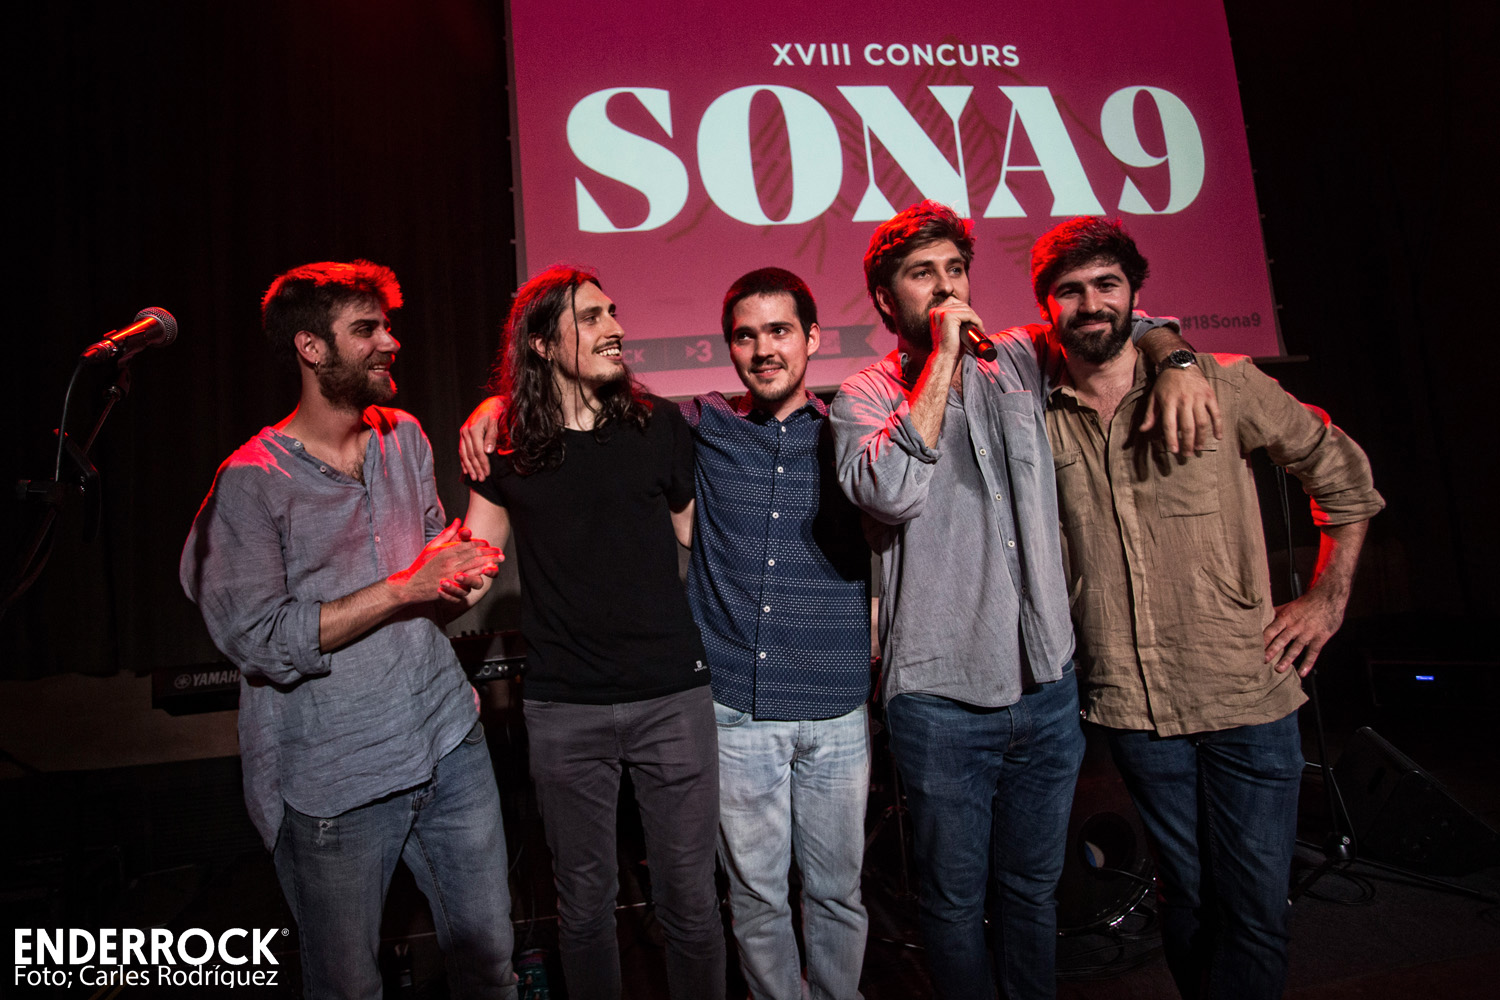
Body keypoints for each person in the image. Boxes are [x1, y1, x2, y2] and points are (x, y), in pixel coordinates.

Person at [828, 200, 1211, 1000]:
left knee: (1034, 891)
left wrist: (1174, 357)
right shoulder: (861, 396)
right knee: (954, 901)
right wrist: (942, 360)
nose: (945, 287)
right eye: (922, 274)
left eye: (955, 270)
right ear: (885, 298)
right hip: (941, 700)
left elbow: (1119, 324)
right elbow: (889, 492)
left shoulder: (1019, 359)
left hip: (1045, 688)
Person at [1030, 217, 1383, 999]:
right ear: (1047, 305)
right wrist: (1171, 346)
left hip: (1244, 693)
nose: (1090, 304)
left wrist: (1327, 599)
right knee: (1186, 899)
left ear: (1135, 295)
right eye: (1070, 290)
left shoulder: (1223, 384)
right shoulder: (1034, 408)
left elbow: (1343, 477)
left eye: (1107, 285)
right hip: (1132, 707)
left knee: (1251, 910)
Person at [180, 260, 517, 1000]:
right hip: (336, 784)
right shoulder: (251, 481)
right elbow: (261, 640)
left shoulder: (404, 438)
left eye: (388, 326)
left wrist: (455, 572)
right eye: (366, 329)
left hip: (448, 746)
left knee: (490, 968)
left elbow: (428, 590)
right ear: (311, 348)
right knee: (347, 989)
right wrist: (406, 585)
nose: (390, 342)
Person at [458, 265, 724, 1000]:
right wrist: (401, 594)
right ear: (543, 344)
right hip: (564, 706)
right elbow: (474, 563)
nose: (616, 327)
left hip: (671, 697)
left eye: (613, 311)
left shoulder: (655, 425)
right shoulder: (509, 444)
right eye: (592, 317)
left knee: (691, 901)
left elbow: (695, 538)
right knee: (582, 908)